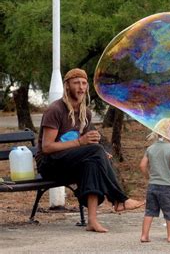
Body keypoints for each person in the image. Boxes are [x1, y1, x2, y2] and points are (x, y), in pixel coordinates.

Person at [36, 68, 144, 233]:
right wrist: (81, 142)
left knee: (93, 163)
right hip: (49, 165)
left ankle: (92, 221)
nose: (80, 87)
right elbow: (47, 147)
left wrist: (99, 152)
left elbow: (89, 145)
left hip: (68, 163)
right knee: (94, 152)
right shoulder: (55, 110)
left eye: (84, 83)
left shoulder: (85, 113)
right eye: (76, 83)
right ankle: (119, 199)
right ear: (67, 86)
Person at [139, 118, 170, 244]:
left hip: (152, 186)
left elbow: (142, 165)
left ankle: (144, 236)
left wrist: (148, 177)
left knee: (149, 212)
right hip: (167, 186)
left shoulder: (151, 148)